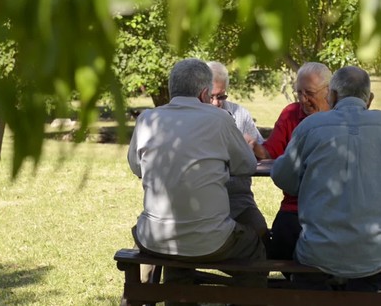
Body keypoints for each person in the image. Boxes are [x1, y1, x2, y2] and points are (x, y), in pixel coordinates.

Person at [127, 58, 266, 306]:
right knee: (255, 248)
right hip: (212, 240)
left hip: (154, 238)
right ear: (204, 93)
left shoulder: (147, 119)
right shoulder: (220, 119)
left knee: (179, 257)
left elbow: (136, 167)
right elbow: (248, 165)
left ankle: (179, 297)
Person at [270, 66, 381, 291]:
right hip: (375, 252)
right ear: (370, 99)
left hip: (319, 251)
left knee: (308, 274)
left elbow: (283, 177)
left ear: (333, 95)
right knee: (368, 274)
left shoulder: (309, 127)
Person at [248, 62, 332, 262]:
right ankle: (298, 287)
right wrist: (255, 147)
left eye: (309, 93)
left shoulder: (340, 116)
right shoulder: (291, 114)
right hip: (295, 205)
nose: (303, 100)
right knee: (281, 240)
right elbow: (272, 152)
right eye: (299, 93)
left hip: (334, 205)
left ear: (329, 91)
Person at [207, 61, 268, 239]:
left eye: (221, 97)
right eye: (211, 97)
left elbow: (264, 153)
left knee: (261, 233)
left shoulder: (239, 114)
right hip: (206, 202)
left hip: (239, 199)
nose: (216, 103)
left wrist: (253, 146)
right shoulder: (194, 118)